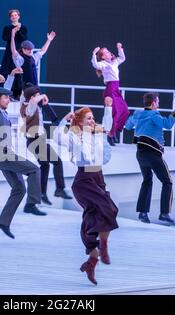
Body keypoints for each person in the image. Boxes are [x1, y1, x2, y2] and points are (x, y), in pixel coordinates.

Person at [54, 106, 117, 286]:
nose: (91, 121)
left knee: (93, 221)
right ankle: (103, 246)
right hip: (84, 180)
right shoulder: (75, 137)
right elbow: (58, 137)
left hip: (98, 178)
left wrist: (108, 108)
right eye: (88, 119)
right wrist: (65, 119)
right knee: (109, 209)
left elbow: (108, 126)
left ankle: (91, 263)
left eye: (92, 118)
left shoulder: (96, 135)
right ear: (80, 122)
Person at [0, 74, 45, 239]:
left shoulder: (2, 112)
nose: (9, 100)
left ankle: (3, 222)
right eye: (5, 98)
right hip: (2, 154)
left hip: (5, 154)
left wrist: (10, 77)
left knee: (19, 189)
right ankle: (32, 204)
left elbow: (5, 91)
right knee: (34, 170)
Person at [125, 92, 175, 224]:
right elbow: (167, 124)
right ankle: (164, 212)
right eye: (158, 101)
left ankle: (142, 213)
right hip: (153, 153)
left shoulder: (137, 114)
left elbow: (128, 126)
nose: (159, 104)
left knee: (147, 180)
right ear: (153, 103)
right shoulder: (154, 115)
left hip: (140, 154)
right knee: (167, 182)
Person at [20, 84, 72, 205]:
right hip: (35, 141)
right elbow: (32, 102)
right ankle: (59, 189)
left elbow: (26, 95)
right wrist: (43, 96)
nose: (40, 97)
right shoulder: (29, 108)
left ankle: (42, 193)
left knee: (44, 165)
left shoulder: (28, 104)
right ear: (32, 97)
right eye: (37, 95)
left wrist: (40, 97)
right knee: (57, 161)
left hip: (37, 140)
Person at [91, 43, 130, 146]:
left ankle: (113, 132)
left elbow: (122, 58)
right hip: (110, 90)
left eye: (108, 51)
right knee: (114, 112)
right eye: (106, 52)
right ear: (103, 56)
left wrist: (119, 48)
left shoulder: (114, 62)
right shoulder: (104, 64)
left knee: (125, 111)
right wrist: (94, 54)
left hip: (116, 89)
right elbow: (95, 64)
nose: (109, 52)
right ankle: (110, 135)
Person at [0, 9, 28, 99]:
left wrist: (18, 30)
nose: (14, 17)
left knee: (18, 72)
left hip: (19, 53)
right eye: (12, 16)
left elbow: (24, 38)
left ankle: (17, 94)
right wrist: (12, 32)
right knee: (6, 71)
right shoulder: (7, 28)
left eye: (15, 15)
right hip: (9, 53)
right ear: (10, 18)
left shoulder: (23, 28)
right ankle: (4, 93)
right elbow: (4, 38)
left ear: (18, 16)